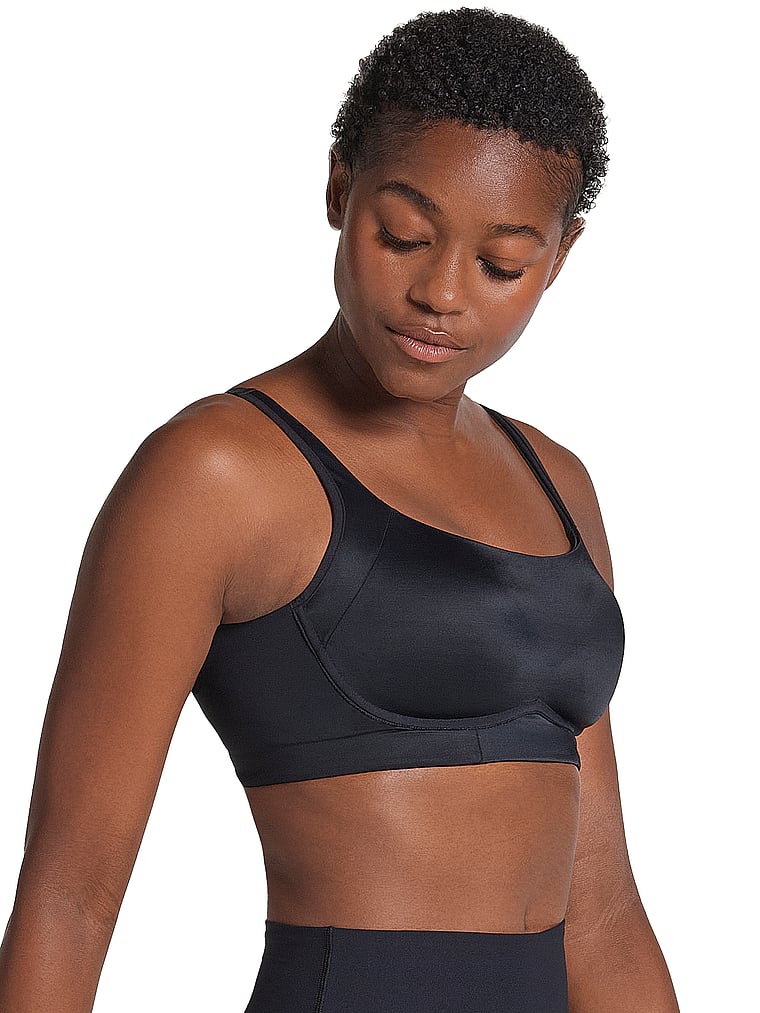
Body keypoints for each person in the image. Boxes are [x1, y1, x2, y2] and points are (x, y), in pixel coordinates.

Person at [0, 8, 680, 1011]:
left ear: (560, 254)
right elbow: (70, 893)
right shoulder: (216, 473)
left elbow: (606, 911)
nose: (441, 292)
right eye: (403, 236)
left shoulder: (559, 483)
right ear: (338, 187)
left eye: (501, 264)